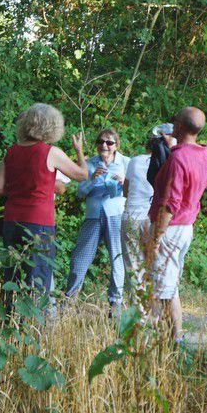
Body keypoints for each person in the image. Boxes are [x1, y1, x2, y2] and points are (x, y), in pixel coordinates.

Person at [0, 103, 88, 298]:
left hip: (11, 220)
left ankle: (10, 322)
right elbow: (82, 175)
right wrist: (79, 151)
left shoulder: (11, 152)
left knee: (13, 275)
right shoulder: (50, 152)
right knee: (37, 277)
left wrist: (20, 188)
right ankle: (32, 326)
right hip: (39, 223)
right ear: (50, 126)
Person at [147, 106, 207, 341]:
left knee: (165, 289)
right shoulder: (202, 153)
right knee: (169, 284)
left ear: (180, 127)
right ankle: (171, 338)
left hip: (171, 228)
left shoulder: (177, 158)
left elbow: (170, 204)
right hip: (186, 227)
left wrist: (155, 239)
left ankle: (174, 341)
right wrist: (174, 147)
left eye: (175, 121)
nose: (172, 124)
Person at [64, 128, 130, 317]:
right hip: (93, 216)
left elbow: (135, 189)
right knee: (80, 259)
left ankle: (115, 304)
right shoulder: (89, 164)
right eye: (101, 141)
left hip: (116, 215)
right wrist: (92, 180)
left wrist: (123, 183)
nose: (104, 146)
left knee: (117, 258)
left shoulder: (125, 163)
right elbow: (79, 193)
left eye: (109, 142)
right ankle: (70, 299)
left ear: (116, 145)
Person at [121, 137, 156, 294]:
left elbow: (125, 191)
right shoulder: (169, 162)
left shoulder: (134, 161)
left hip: (132, 216)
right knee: (152, 265)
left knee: (133, 267)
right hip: (153, 217)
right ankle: (153, 307)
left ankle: (138, 310)